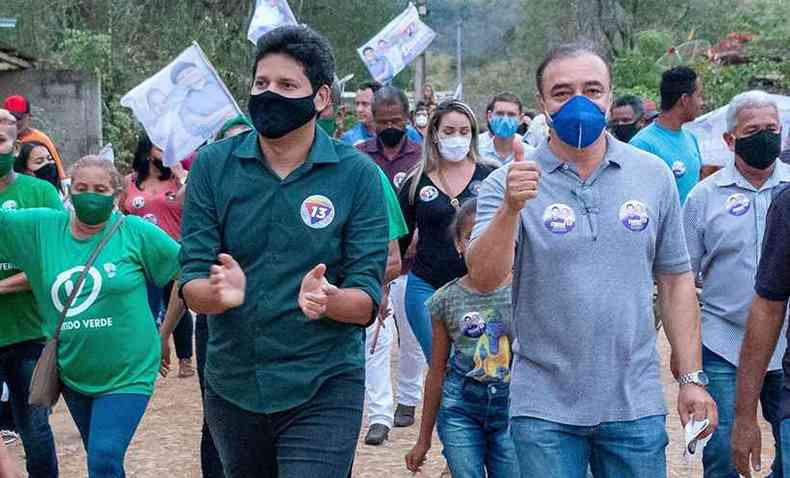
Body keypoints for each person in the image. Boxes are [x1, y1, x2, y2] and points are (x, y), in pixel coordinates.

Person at [466, 42, 717, 477]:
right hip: (543, 405)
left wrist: (691, 379)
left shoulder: (651, 174)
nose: (579, 102)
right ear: (542, 103)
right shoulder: (508, 183)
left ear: (609, 94)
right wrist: (511, 208)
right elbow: (485, 278)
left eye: (592, 89)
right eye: (562, 92)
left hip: (634, 402)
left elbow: (676, 281)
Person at [179, 25, 388, 478]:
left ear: (321, 98)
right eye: (261, 83)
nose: (269, 94)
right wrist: (217, 295)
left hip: (325, 383)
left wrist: (329, 300)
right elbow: (191, 282)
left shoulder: (358, 176)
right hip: (234, 383)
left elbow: (367, 299)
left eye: (287, 85)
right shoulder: (214, 166)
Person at [0, 153, 181, 477]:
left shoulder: (134, 231)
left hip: (130, 369)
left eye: (100, 189)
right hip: (74, 369)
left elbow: (187, 271)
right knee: (102, 458)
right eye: (82, 187)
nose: (90, 195)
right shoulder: (42, 227)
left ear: (115, 195)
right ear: (69, 192)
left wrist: (165, 330)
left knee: (103, 457)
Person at [683, 90, 788, 478]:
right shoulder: (703, 197)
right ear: (730, 140)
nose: (764, 137)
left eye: (771, 129)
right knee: (724, 448)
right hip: (723, 343)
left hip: (787, 346)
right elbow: (681, 277)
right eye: (753, 130)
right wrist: (684, 351)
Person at [405, 198, 518, 477]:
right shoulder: (445, 300)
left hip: (512, 409)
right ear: (458, 244)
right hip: (460, 409)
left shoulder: (524, 293)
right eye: (471, 237)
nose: (484, 245)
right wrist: (423, 439)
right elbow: (437, 370)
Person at [398, 99, 496, 363]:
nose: (457, 138)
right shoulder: (415, 181)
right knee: (443, 368)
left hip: (482, 289)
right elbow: (397, 243)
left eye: (464, 132)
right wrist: (381, 288)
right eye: (449, 131)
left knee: (479, 368)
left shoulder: (491, 176)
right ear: (435, 135)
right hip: (426, 288)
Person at [354, 85, 421, 445]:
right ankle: (379, 414)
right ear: (373, 123)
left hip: (414, 265)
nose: (390, 126)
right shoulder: (359, 158)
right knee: (376, 341)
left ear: (407, 118)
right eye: (383, 122)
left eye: (396, 120)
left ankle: (408, 399)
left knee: (410, 339)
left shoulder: (423, 155)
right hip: (373, 263)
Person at [0, 108, 60, 478]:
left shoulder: (40, 193)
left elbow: (53, 259)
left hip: (29, 334)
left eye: (0, 140)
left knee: (35, 429)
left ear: (15, 145)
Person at [119, 132, 194, 379]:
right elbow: (121, 212)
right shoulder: (129, 182)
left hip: (175, 251)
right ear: (147, 149)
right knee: (140, 307)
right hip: (139, 256)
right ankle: (144, 356)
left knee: (179, 301)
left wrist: (181, 174)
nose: (166, 150)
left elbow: (194, 201)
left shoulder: (178, 179)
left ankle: (185, 358)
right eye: (160, 145)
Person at [630, 66, 704, 204]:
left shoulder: (690, 138)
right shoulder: (642, 144)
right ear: (685, 99)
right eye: (699, 96)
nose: (701, 103)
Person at [2, 95, 66, 180]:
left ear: (29, 116)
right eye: (10, 118)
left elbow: (59, 174)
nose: (15, 122)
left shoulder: (40, 139)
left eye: (19, 117)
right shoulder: (3, 138)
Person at [340, 81, 421, 146]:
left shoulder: (409, 133)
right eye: (357, 104)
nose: (359, 109)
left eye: (365, 104)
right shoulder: (349, 139)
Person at [478, 92, 536, 165]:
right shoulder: (478, 155)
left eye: (511, 114)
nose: (505, 120)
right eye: (500, 113)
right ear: (490, 116)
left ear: (521, 119)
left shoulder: (532, 156)